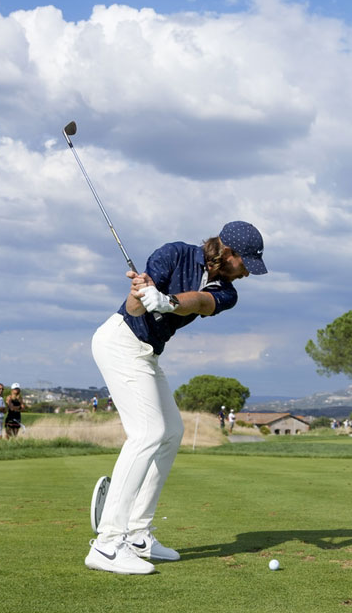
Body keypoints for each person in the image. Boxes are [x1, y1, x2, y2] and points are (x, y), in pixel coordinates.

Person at [84, 221, 268, 575]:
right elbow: (134, 311)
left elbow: (198, 302)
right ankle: (107, 544)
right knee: (148, 434)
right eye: (246, 264)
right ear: (228, 254)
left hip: (147, 354)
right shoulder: (174, 254)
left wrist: (167, 301)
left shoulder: (228, 292)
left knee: (171, 433)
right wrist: (141, 292)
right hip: (120, 343)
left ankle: (137, 534)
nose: (248, 273)